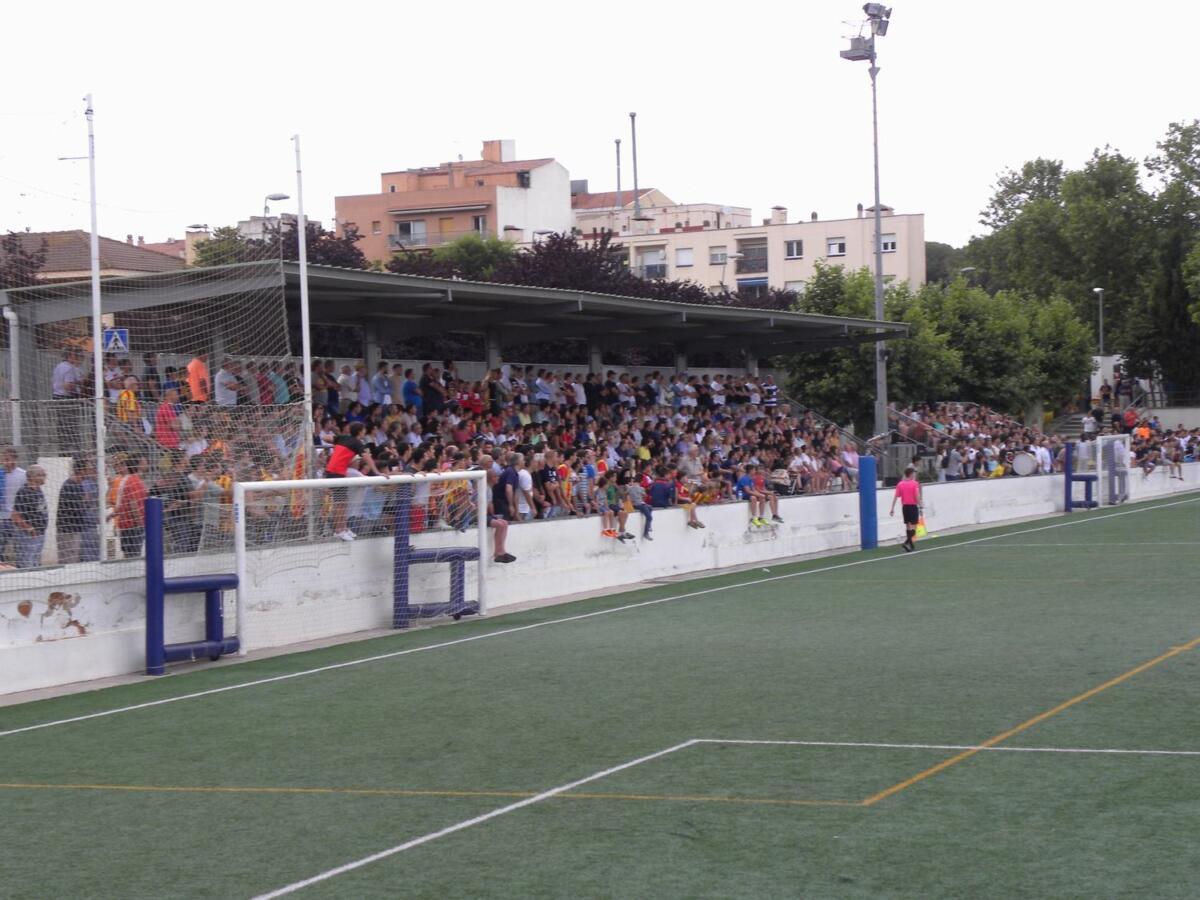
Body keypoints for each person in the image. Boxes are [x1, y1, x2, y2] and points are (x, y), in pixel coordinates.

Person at [325, 421, 387, 540]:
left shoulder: (343, 438)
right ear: (360, 432)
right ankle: (339, 530)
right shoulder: (357, 443)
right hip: (336, 472)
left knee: (343, 502)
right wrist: (377, 472)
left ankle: (343, 528)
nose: (365, 432)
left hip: (335, 471)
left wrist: (334, 440)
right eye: (364, 430)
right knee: (340, 503)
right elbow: (367, 458)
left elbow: (326, 438)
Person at [11, 465, 48, 568]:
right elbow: (15, 515)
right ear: (32, 477)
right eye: (42, 474)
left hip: (39, 534)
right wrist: (30, 529)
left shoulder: (38, 490)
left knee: (35, 565)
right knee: (26, 565)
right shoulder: (24, 491)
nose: (45, 476)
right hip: (28, 536)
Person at [889, 465, 922, 552]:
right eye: (914, 474)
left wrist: (892, 508)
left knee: (908, 526)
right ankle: (906, 542)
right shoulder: (914, 483)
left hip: (905, 507)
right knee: (914, 527)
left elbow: (896, 496)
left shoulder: (900, 484)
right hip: (912, 506)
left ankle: (910, 544)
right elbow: (917, 495)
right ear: (910, 474)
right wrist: (920, 505)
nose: (914, 475)